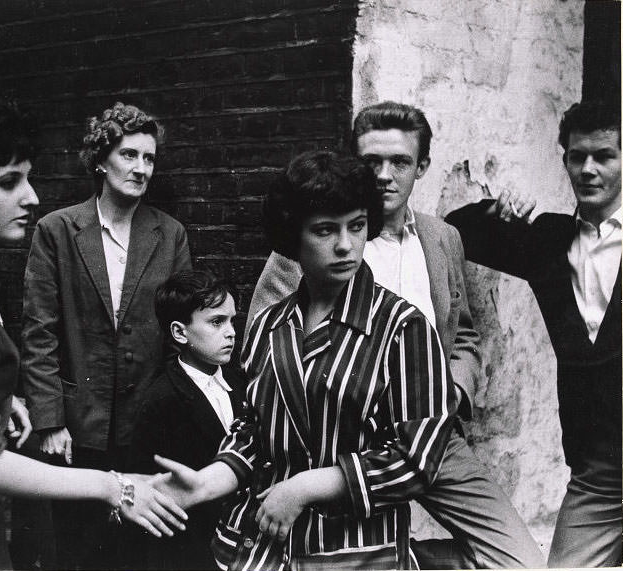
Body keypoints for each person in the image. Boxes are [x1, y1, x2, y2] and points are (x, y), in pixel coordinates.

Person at [0, 97, 187, 570]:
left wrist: (4, 400)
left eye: (27, 177)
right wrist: (113, 486)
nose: (32, 197)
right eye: (8, 182)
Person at [247, 102, 543, 568]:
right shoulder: (305, 249)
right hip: (335, 438)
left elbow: (463, 334)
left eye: (400, 162)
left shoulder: (441, 237)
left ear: (421, 167)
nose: (384, 175)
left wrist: (450, 395)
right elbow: (268, 350)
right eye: (371, 162)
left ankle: (403, 560)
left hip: (426, 433)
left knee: (521, 562)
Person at [155, 150, 458, 570]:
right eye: (324, 230)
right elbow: (252, 434)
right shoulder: (267, 325)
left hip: (355, 548)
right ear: (293, 236)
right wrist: (205, 484)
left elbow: (416, 458)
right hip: (262, 543)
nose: (345, 245)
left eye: (356, 226)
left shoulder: (402, 328)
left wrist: (307, 487)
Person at [445, 99, 622, 568]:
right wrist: (496, 211)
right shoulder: (548, 240)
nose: (588, 168)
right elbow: (457, 230)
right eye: (576, 156)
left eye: (604, 155)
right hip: (599, 476)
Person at [21, 101, 192, 568]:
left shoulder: (169, 234)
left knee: (140, 549)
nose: (140, 169)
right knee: (78, 545)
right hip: (78, 427)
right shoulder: (57, 230)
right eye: (129, 155)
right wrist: (49, 418)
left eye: (149, 158)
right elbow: (40, 332)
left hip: (146, 423)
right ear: (100, 159)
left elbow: (181, 331)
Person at [128, 269, 247, 570]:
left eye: (232, 320)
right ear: (180, 332)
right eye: (217, 322)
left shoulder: (242, 380)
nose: (231, 331)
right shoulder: (161, 402)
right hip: (194, 549)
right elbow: (158, 502)